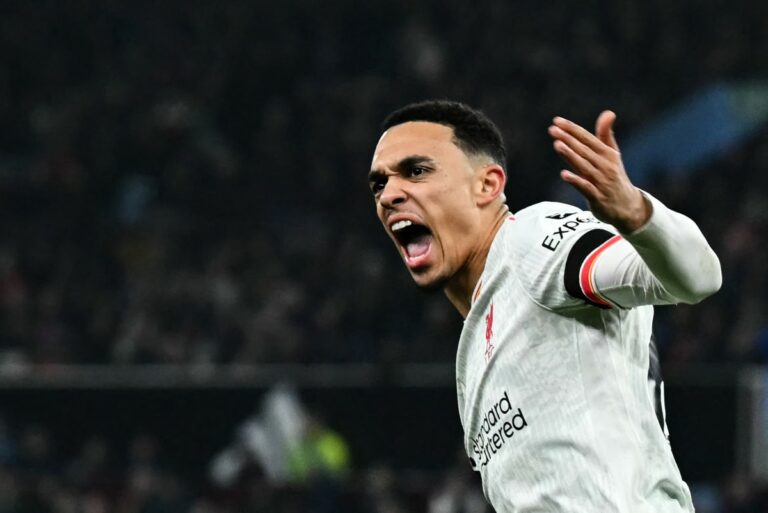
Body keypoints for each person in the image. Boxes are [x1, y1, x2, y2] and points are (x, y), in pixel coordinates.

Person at [368, 100, 722, 513]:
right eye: (379, 184)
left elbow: (698, 277)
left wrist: (637, 213)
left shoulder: (530, 241)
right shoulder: (474, 350)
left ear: (487, 185)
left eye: (416, 171)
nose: (389, 195)